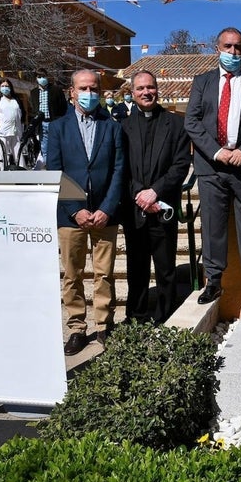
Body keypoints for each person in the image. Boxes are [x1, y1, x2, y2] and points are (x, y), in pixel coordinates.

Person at [185, 26, 241, 305]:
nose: (233, 52)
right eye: (228, 47)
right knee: (212, 227)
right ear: (217, 49)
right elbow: (192, 122)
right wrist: (216, 152)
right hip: (212, 167)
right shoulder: (202, 82)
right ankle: (213, 282)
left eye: (238, 48)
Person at [46, 69, 124, 356]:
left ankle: (104, 324)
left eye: (94, 88)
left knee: (104, 274)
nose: (89, 93)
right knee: (72, 274)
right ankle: (77, 328)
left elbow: (119, 170)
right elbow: (55, 170)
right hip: (70, 215)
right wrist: (75, 209)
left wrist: (106, 207)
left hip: (105, 213)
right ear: (72, 91)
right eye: (83, 88)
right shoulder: (58, 128)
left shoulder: (112, 126)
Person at [120, 70, 192, 323]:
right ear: (132, 93)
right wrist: (139, 193)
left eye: (150, 87)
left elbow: (181, 164)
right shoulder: (123, 127)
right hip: (134, 208)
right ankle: (136, 315)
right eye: (140, 89)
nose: (146, 92)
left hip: (162, 207)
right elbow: (121, 167)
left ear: (157, 89)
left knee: (165, 268)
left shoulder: (175, 124)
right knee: (136, 267)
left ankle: (166, 315)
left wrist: (155, 192)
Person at [29, 68, 68, 167]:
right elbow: (33, 109)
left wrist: (60, 121)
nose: (42, 78)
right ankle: (48, 167)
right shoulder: (33, 92)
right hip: (41, 124)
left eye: (43, 76)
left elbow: (63, 107)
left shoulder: (56, 90)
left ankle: (58, 166)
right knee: (44, 148)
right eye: (39, 77)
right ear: (36, 79)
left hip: (53, 122)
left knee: (56, 146)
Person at [0, 78, 25, 167]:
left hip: (16, 131)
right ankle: (3, 172)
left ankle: (22, 172)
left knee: (18, 154)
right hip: (3, 132)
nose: (5, 88)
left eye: (7, 86)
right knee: (3, 154)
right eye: (3, 86)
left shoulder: (16, 99)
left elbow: (22, 113)